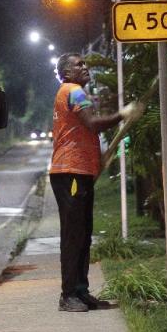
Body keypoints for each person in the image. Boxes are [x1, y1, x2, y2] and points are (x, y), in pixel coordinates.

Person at [50, 52, 141, 312]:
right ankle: (68, 295)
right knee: (73, 236)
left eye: (85, 63)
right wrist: (122, 115)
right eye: (79, 64)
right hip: (71, 172)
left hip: (78, 171)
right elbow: (92, 124)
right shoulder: (73, 91)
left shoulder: (71, 92)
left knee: (82, 234)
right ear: (67, 73)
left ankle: (81, 291)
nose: (85, 66)